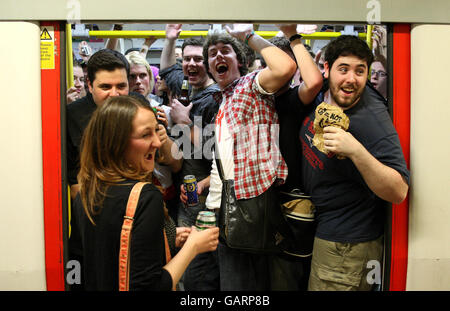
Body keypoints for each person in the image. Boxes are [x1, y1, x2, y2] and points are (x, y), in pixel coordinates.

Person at [71, 95, 219, 290]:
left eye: (156, 132)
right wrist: (193, 246)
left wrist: (164, 239)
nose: (157, 143)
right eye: (145, 135)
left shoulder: (88, 190)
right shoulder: (145, 197)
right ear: (116, 143)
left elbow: (84, 262)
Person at [300, 35, 410, 291]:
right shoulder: (325, 95)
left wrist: (356, 150)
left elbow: (399, 191)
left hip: (345, 248)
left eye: (360, 71)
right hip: (323, 231)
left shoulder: (372, 121)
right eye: (343, 69)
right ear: (326, 70)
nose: (352, 79)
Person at [203, 24, 297, 290]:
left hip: (245, 205)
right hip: (223, 207)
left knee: (239, 287)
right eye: (212, 53)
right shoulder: (223, 99)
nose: (218, 57)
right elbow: (225, 159)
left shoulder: (250, 84)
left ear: (241, 60)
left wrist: (247, 36)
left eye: (225, 51)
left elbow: (285, 68)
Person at [159, 23, 222, 291]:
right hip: (185, 196)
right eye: (187, 59)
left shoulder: (215, 99)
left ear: (208, 62)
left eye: (198, 59)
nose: (191, 64)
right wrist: (170, 38)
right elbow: (166, 69)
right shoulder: (187, 86)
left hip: (205, 199)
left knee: (199, 271)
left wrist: (183, 123)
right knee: (183, 265)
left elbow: (220, 157)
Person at [270, 25, 323, 291]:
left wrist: (292, 35)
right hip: (267, 204)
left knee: (286, 278)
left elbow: (313, 82)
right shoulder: (259, 99)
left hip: (292, 204)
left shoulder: (293, 98)